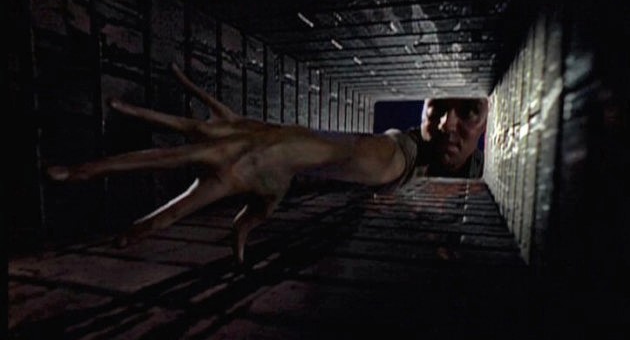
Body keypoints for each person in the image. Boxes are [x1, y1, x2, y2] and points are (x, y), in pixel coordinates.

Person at [47, 64, 488, 264]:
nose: (446, 124)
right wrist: (284, 151)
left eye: (468, 111)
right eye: (437, 106)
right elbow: (379, 155)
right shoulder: (404, 148)